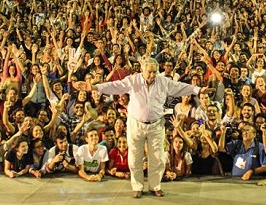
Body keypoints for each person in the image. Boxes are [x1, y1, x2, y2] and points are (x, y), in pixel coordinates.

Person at [73, 56, 204, 198]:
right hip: (136, 124)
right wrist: (93, 87)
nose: (152, 75)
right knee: (135, 157)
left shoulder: (163, 82)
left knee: (158, 158)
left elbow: (181, 87)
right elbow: (114, 86)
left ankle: (155, 186)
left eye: (155, 72)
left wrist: (198, 90)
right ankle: (137, 186)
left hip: (156, 125)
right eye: (149, 72)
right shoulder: (133, 80)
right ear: (142, 70)